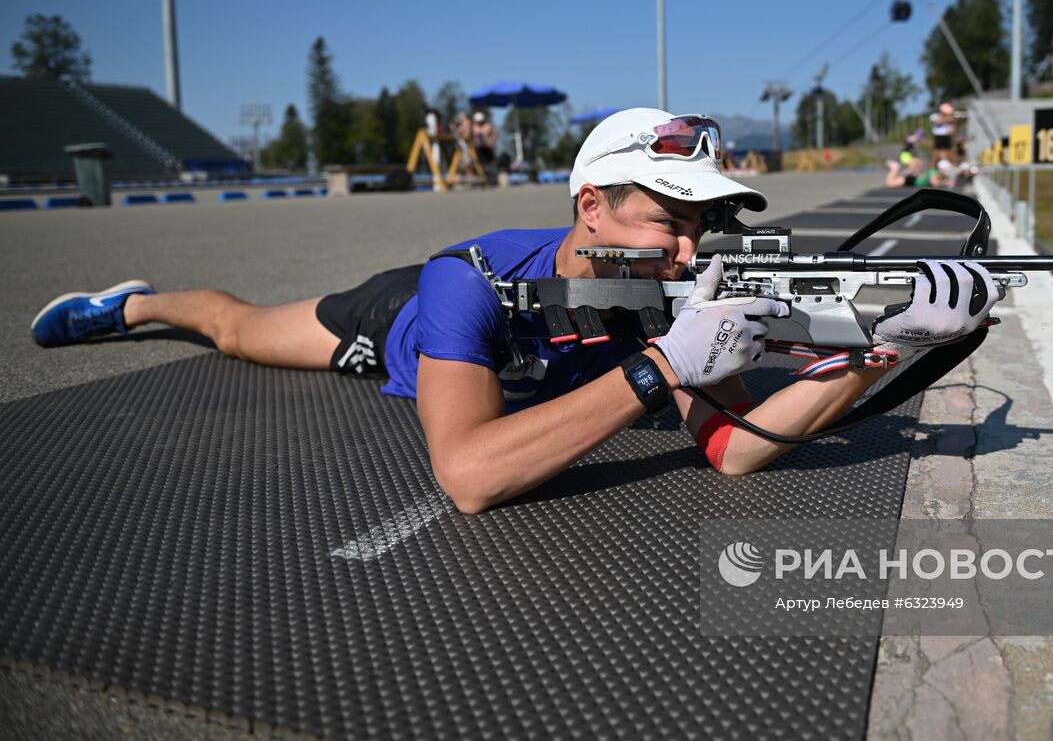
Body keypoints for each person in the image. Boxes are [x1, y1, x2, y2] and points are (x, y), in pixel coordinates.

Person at [30, 108, 999, 513]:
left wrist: (878, 349)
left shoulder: (670, 293)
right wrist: (660, 369)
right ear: (592, 206)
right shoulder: (469, 281)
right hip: (396, 318)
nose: (689, 253)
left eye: (702, 228)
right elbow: (466, 476)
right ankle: (138, 301)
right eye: (668, 224)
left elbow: (735, 448)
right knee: (235, 327)